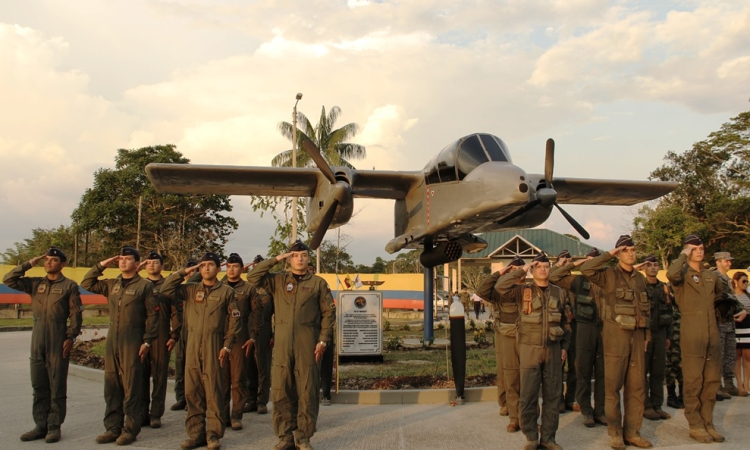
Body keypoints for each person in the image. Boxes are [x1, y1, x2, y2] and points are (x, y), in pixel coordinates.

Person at [246, 240, 335, 450]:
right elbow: (252, 277)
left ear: (308, 258)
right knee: (281, 390)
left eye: (303, 255)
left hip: (308, 342)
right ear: (290, 258)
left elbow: (329, 313)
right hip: (284, 343)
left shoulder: (318, 284)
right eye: (295, 255)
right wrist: (276, 259)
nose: (299, 259)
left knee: (307, 390)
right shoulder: (278, 281)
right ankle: (285, 437)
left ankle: (303, 437)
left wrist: (323, 339)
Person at [160, 252, 242, 450]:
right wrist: (184, 271)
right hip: (192, 347)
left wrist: (227, 345)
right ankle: (196, 434)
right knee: (192, 392)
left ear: (218, 268)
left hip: (214, 346)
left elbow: (235, 320)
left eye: (210, 265)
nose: (206, 268)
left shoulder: (226, 292)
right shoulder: (190, 289)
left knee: (214, 392)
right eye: (202, 265)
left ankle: (213, 435)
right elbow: (165, 288)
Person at [3, 247, 83, 444]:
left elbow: (76, 315)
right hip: (38, 337)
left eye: (54, 260)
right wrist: (29, 264)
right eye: (46, 259)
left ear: (62, 264)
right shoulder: (35, 283)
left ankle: (54, 426)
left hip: (57, 338)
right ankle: (40, 425)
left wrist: (70, 337)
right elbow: (8, 280)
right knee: (38, 383)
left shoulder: (69, 286)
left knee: (56, 384)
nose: (48, 262)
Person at [580, 235, 652, 449]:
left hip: (637, 339)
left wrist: (647, 336)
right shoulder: (609, 275)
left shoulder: (640, 278)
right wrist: (611, 252)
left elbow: (645, 309)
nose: (630, 253)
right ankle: (615, 432)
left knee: (637, 386)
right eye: (625, 250)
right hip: (616, 338)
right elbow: (588, 269)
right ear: (619, 253)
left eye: (632, 250)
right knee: (613, 387)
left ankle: (633, 432)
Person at [81, 246, 158, 446]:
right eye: (120, 259)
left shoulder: (144, 286)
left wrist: (147, 340)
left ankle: (130, 429)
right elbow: (87, 283)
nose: (122, 262)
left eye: (127, 259)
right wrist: (102, 264)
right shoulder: (111, 284)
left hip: (133, 339)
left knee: (131, 385)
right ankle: (112, 427)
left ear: (137, 262)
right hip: (113, 338)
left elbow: (153, 316)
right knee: (112, 384)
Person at [496, 253, 569, 450]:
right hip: (529, 349)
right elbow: (500, 287)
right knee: (528, 396)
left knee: (553, 396)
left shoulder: (559, 293)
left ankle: (548, 438)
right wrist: (523, 268)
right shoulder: (523, 291)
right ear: (533, 270)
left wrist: (565, 348)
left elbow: (565, 322)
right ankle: (531, 437)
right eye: (539, 266)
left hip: (553, 349)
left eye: (546, 266)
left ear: (550, 269)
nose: (543, 269)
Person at [666, 234, 725, 443]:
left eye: (700, 248)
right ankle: (695, 424)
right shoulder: (681, 275)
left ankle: (708, 422)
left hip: (712, 333)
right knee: (693, 380)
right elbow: (671, 274)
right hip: (692, 331)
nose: (699, 251)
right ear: (686, 251)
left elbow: (720, 295)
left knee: (711, 380)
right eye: (694, 248)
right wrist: (683, 254)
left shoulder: (711, 276)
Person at [549, 248, 606, 428]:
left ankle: (600, 411)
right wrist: (575, 264)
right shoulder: (578, 280)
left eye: (594, 261)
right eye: (588, 261)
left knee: (603, 373)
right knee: (583, 370)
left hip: (605, 329)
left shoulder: (608, 280)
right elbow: (554, 277)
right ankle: (586, 410)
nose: (591, 264)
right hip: (583, 328)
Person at [476, 256, 525, 432]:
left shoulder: (525, 289)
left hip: (524, 335)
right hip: (504, 334)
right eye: (512, 271)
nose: (516, 275)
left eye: (518, 271)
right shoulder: (498, 290)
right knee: (505, 371)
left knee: (523, 373)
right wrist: (498, 274)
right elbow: (481, 290)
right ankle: (505, 404)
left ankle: (521, 411)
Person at [139, 250, 181, 429]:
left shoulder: (168, 286)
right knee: (139, 377)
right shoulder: (139, 284)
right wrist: (136, 267)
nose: (151, 265)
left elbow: (176, 313)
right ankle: (141, 413)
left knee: (159, 376)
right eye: (147, 262)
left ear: (162, 266)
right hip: (140, 336)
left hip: (161, 337)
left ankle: (155, 414)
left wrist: (174, 336)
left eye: (155, 262)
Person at [638, 254, 673, 421]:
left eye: (655, 264)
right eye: (649, 265)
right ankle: (646, 405)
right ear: (644, 268)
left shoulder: (664, 287)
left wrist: (669, 336)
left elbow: (669, 312)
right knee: (642, 371)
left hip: (660, 333)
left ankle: (657, 404)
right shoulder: (639, 286)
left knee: (658, 371)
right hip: (645, 334)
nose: (652, 267)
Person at [221, 253, 253, 431]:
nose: (232, 269)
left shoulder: (248, 289)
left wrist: (253, 336)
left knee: (238, 378)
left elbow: (256, 314)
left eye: (235, 266)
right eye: (229, 266)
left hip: (240, 336)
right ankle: (223, 415)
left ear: (242, 269)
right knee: (222, 379)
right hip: (221, 336)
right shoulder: (218, 287)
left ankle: (236, 416)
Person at [713, 252, 747, 397]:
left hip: (729, 322)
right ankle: (717, 386)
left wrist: (743, 310)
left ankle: (728, 384)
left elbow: (733, 299)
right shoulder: (713, 278)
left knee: (729, 354)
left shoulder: (727, 279)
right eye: (726, 261)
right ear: (718, 262)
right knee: (718, 355)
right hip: (718, 321)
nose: (729, 264)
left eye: (729, 261)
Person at [171, 260, 200, 412]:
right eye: (187, 271)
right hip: (181, 332)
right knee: (180, 365)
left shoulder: (197, 289)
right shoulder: (180, 289)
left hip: (195, 332)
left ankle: (193, 399)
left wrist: (199, 270)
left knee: (194, 368)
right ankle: (181, 398)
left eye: (192, 271)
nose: (190, 274)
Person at [246, 255, 273, 414]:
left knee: (263, 365)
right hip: (248, 330)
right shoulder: (246, 288)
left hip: (265, 330)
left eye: (260, 265)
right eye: (255, 265)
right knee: (249, 365)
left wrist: (273, 334)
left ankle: (262, 401)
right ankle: (250, 399)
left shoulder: (270, 290)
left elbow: (279, 313)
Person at [554, 250, 578, 413]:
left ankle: (571, 399)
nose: (568, 263)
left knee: (575, 366)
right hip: (561, 327)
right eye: (565, 260)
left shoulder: (574, 280)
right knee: (558, 366)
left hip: (575, 327)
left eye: (570, 260)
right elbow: (551, 276)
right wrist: (559, 265)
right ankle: (559, 400)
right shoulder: (555, 279)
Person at [732, 271, 750, 396]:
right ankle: (739, 384)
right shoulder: (732, 296)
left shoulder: (748, 295)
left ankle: (746, 383)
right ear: (736, 282)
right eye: (743, 281)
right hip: (734, 328)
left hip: (748, 327)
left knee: (747, 357)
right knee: (737, 356)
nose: (745, 284)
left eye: (747, 281)